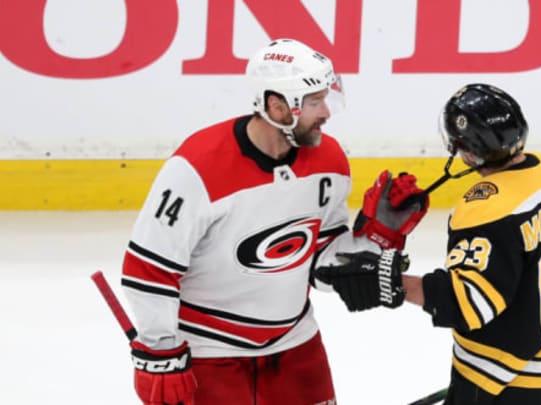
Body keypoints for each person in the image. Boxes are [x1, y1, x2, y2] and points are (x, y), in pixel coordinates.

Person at [119, 38, 427, 405]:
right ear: (277, 106)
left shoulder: (328, 160)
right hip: (208, 353)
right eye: (315, 102)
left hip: (297, 347)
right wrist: (161, 353)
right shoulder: (197, 169)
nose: (326, 112)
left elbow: (320, 263)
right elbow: (147, 269)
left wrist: (376, 237)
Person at [315, 83, 541, 404]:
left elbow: (470, 304)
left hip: (510, 378)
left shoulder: (485, 208)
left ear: (468, 150)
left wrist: (388, 282)